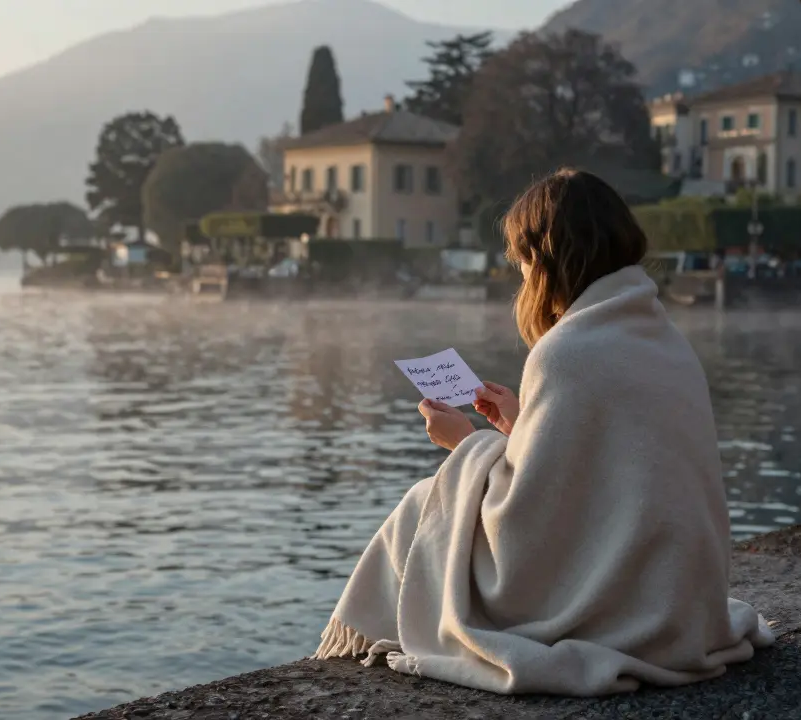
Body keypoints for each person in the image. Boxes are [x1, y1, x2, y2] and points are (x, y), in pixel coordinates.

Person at [313, 168, 774, 696]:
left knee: (426, 504)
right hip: (681, 602)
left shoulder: (567, 351)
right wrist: (519, 425)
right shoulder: (661, 335)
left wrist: (464, 443)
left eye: (524, 262)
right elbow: (601, 482)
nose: (523, 279)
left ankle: (352, 648)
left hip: (627, 611)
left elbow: (525, 523)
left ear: (548, 259)